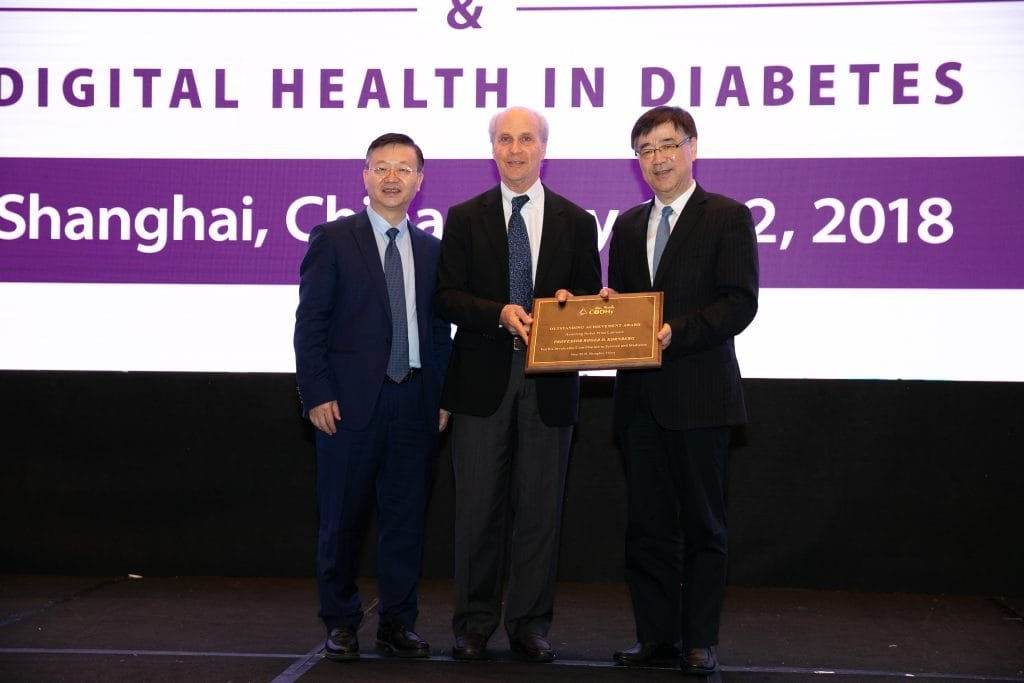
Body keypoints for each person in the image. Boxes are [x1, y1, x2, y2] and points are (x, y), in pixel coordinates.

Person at [434, 106, 601, 663]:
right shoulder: (464, 217)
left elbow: (588, 297)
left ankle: (529, 624)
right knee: (476, 511)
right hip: (480, 383)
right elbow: (447, 297)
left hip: (550, 385)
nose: (514, 149)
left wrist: (573, 306)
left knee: (539, 513)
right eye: (504, 139)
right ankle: (474, 624)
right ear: (492, 149)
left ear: (543, 149)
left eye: (526, 139)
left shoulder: (578, 221)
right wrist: (497, 314)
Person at [603, 106, 759, 676]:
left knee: (703, 526)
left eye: (668, 145)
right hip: (639, 402)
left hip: (700, 396)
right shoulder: (626, 226)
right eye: (646, 149)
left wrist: (677, 332)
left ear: (692, 148)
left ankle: (699, 640)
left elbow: (739, 301)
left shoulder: (727, 217)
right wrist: (601, 314)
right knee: (647, 528)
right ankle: (657, 637)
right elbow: (626, 306)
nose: (658, 158)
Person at [293, 133, 452, 663]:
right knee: (342, 521)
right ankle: (340, 621)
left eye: (403, 169)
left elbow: (438, 331)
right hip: (349, 405)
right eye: (381, 167)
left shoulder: (432, 250)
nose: (391, 177)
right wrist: (316, 392)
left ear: (419, 181)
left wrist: (443, 395)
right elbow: (311, 323)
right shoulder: (333, 238)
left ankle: (397, 624)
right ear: (364, 176)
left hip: (415, 402)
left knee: (405, 524)